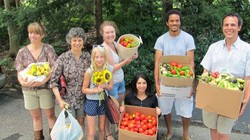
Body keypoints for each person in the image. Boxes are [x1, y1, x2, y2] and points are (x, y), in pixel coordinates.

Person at [200, 13, 250, 140]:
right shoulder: (214, 47)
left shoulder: (247, 50)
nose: (229, 28)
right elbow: (206, 71)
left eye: (233, 25)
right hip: (212, 94)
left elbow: (248, 78)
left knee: (223, 132)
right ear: (222, 27)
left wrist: (245, 101)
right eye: (226, 25)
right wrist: (202, 92)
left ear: (239, 27)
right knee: (213, 128)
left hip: (232, 97)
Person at [154, 9, 196, 140]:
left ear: (180, 22)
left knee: (186, 108)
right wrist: (157, 84)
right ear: (167, 23)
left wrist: (192, 84)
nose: (174, 23)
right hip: (166, 81)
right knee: (165, 108)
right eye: (171, 20)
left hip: (183, 80)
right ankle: (169, 131)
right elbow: (157, 63)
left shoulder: (188, 38)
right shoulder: (161, 40)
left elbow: (190, 63)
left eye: (177, 20)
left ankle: (185, 133)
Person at [15, 22, 57, 140]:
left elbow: (54, 68)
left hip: (45, 89)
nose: (33, 36)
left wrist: (43, 80)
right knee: (36, 117)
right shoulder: (22, 52)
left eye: (36, 33)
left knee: (50, 115)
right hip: (28, 90)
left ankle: (53, 137)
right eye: (31, 33)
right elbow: (19, 70)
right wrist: (22, 82)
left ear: (42, 35)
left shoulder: (48, 49)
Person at [99, 20, 137, 139]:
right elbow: (111, 69)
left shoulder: (115, 44)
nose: (110, 34)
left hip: (120, 80)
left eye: (112, 32)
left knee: (119, 106)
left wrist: (133, 55)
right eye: (107, 32)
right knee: (109, 109)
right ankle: (108, 133)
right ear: (102, 34)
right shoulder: (103, 48)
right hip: (111, 83)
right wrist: (125, 62)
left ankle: (118, 125)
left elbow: (124, 56)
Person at [50, 27, 91, 135]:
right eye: (74, 40)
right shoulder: (63, 58)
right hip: (67, 99)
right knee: (69, 125)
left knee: (81, 121)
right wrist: (60, 101)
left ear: (83, 41)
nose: (77, 43)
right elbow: (53, 82)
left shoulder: (88, 57)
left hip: (82, 97)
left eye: (79, 40)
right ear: (70, 41)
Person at [82, 45, 113, 140]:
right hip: (91, 101)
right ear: (93, 58)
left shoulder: (108, 70)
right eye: (97, 57)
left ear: (105, 57)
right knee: (91, 131)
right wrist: (94, 90)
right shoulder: (89, 71)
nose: (99, 59)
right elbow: (84, 89)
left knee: (102, 127)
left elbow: (111, 86)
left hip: (103, 101)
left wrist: (105, 86)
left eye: (101, 57)